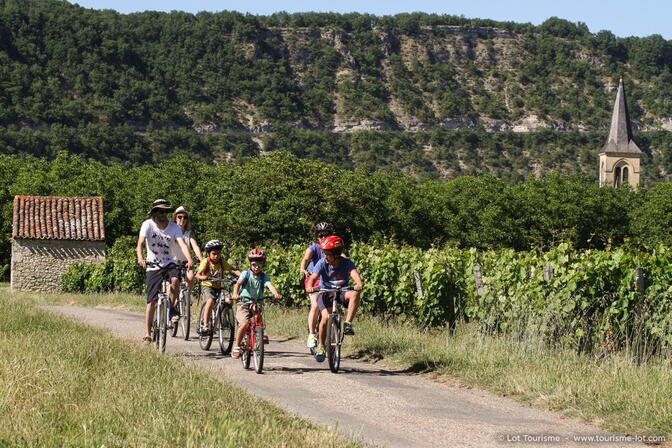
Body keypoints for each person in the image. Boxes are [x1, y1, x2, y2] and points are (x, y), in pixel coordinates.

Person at [136, 199, 194, 342]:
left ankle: (171, 308)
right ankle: (148, 333)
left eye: (166, 211)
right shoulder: (147, 224)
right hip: (153, 264)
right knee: (152, 301)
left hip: (169, 262)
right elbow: (140, 243)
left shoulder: (174, 227)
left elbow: (182, 244)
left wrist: (190, 259)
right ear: (155, 212)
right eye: (160, 211)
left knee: (175, 281)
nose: (163, 214)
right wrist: (140, 258)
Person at [306, 236, 363, 362]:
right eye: (324, 254)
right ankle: (321, 346)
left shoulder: (346, 262)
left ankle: (348, 323)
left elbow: (354, 273)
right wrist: (310, 286)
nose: (326, 257)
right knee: (325, 318)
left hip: (342, 291)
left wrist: (358, 283)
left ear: (337, 254)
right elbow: (313, 277)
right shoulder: (322, 263)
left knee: (354, 294)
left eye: (328, 254)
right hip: (325, 293)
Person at [229, 249, 281, 359]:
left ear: (263, 264)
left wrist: (276, 293)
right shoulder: (245, 274)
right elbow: (238, 284)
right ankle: (237, 345)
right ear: (249, 264)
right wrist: (235, 294)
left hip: (256, 303)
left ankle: (259, 334)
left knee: (258, 320)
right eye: (254, 264)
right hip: (243, 303)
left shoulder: (264, 277)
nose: (257, 267)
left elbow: (270, 286)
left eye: (260, 264)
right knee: (244, 324)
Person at [299, 222, 334, 349]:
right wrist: (303, 269)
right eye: (321, 235)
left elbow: (343, 258)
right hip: (314, 279)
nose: (323, 237)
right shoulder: (314, 248)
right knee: (315, 305)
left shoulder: (334, 248)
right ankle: (312, 334)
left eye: (327, 234)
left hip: (329, 279)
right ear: (317, 237)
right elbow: (305, 259)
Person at [195, 239, 240, 334]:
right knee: (210, 301)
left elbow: (232, 270)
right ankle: (205, 325)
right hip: (207, 286)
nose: (216, 256)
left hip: (219, 286)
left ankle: (223, 318)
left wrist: (243, 276)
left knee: (229, 300)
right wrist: (203, 277)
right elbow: (197, 275)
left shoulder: (221, 262)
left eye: (218, 254)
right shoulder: (205, 262)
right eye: (214, 254)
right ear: (208, 254)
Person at [172, 206, 204, 290]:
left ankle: (187, 295)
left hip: (186, 262)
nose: (182, 219)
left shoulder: (189, 233)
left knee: (190, 277)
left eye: (185, 217)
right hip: (172, 261)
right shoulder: (171, 231)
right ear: (175, 218)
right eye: (180, 217)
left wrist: (201, 259)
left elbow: (195, 247)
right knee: (174, 282)